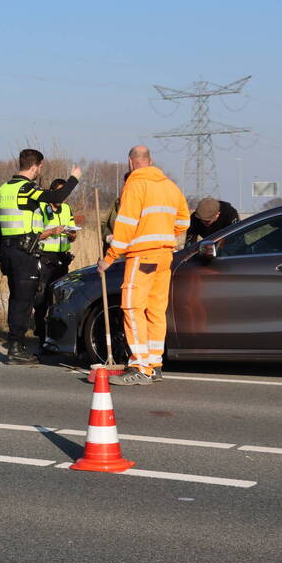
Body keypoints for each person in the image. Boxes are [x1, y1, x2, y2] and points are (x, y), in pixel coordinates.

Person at [98, 146, 189, 385]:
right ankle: (155, 364)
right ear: (151, 160)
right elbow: (183, 221)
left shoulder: (135, 185)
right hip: (164, 255)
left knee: (132, 308)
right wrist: (163, 234)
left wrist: (109, 258)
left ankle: (140, 365)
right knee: (156, 310)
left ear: (130, 162)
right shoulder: (170, 186)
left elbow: (125, 225)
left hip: (142, 257)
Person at [0, 149, 83, 364]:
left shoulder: (4, 189)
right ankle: (16, 349)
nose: (39, 172)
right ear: (36, 166)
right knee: (24, 302)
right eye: (40, 168)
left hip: (10, 251)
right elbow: (56, 196)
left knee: (16, 299)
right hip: (25, 253)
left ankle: (17, 345)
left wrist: (2, 254)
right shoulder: (26, 189)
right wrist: (74, 179)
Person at [33, 179, 78, 342]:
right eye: (59, 193)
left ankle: (57, 335)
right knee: (42, 297)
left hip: (62, 259)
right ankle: (40, 334)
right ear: (51, 192)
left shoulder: (66, 209)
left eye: (64, 194)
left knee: (59, 298)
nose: (61, 198)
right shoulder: (42, 209)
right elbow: (36, 235)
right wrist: (52, 231)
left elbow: (73, 235)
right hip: (45, 258)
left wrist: (71, 234)